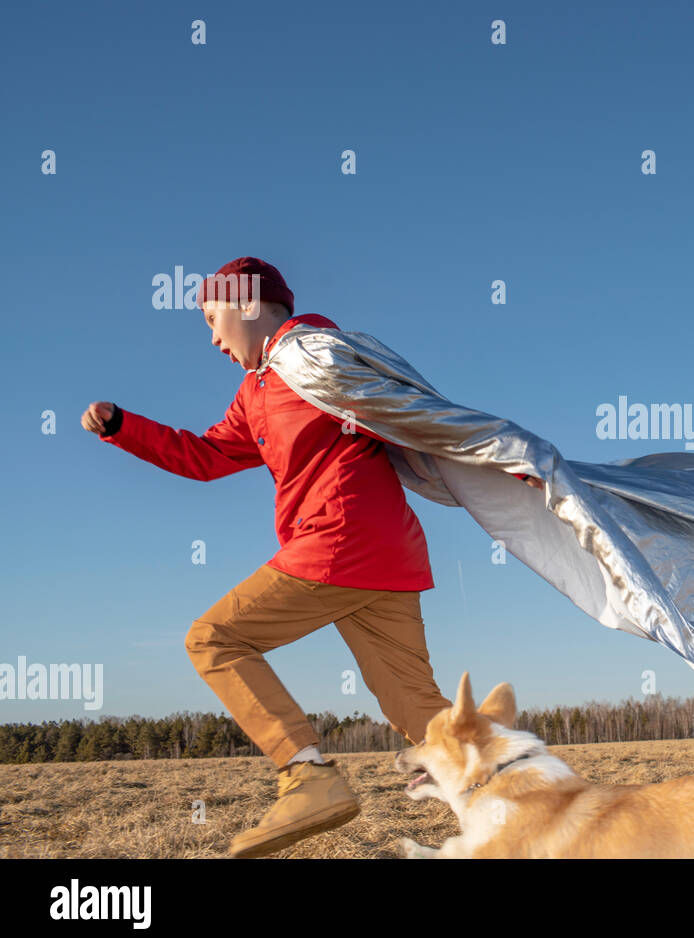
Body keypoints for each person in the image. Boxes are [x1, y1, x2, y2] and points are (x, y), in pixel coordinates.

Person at [81, 256, 540, 858]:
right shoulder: (257, 390)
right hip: (386, 560)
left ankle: (308, 776)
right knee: (422, 716)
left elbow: (418, 411)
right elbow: (204, 456)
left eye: (214, 319)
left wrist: (508, 457)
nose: (213, 340)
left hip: (339, 542)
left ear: (249, 304)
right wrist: (124, 427)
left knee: (213, 638)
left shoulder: (316, 354)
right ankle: (536, 809)